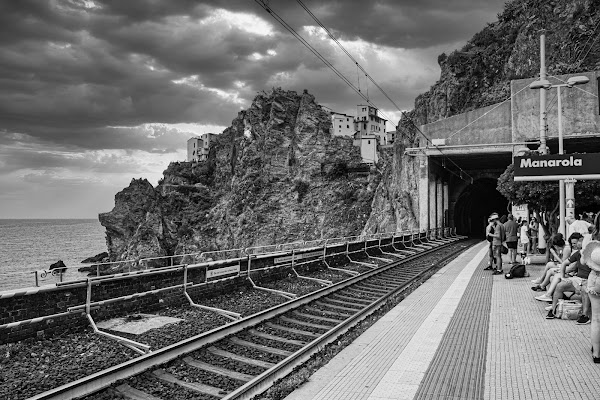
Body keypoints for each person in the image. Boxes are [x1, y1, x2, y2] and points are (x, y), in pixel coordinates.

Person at [544, 234, 591, 322]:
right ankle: (553, 310)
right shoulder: (578, 253)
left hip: (589, 280)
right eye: (573, 243)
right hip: (578, 279)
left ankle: (585, 316)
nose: (575, 245)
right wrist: (562, 276)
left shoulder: (593, 255)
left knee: (585, 289)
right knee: (560, 286)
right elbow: (564, 263)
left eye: (577, 243)